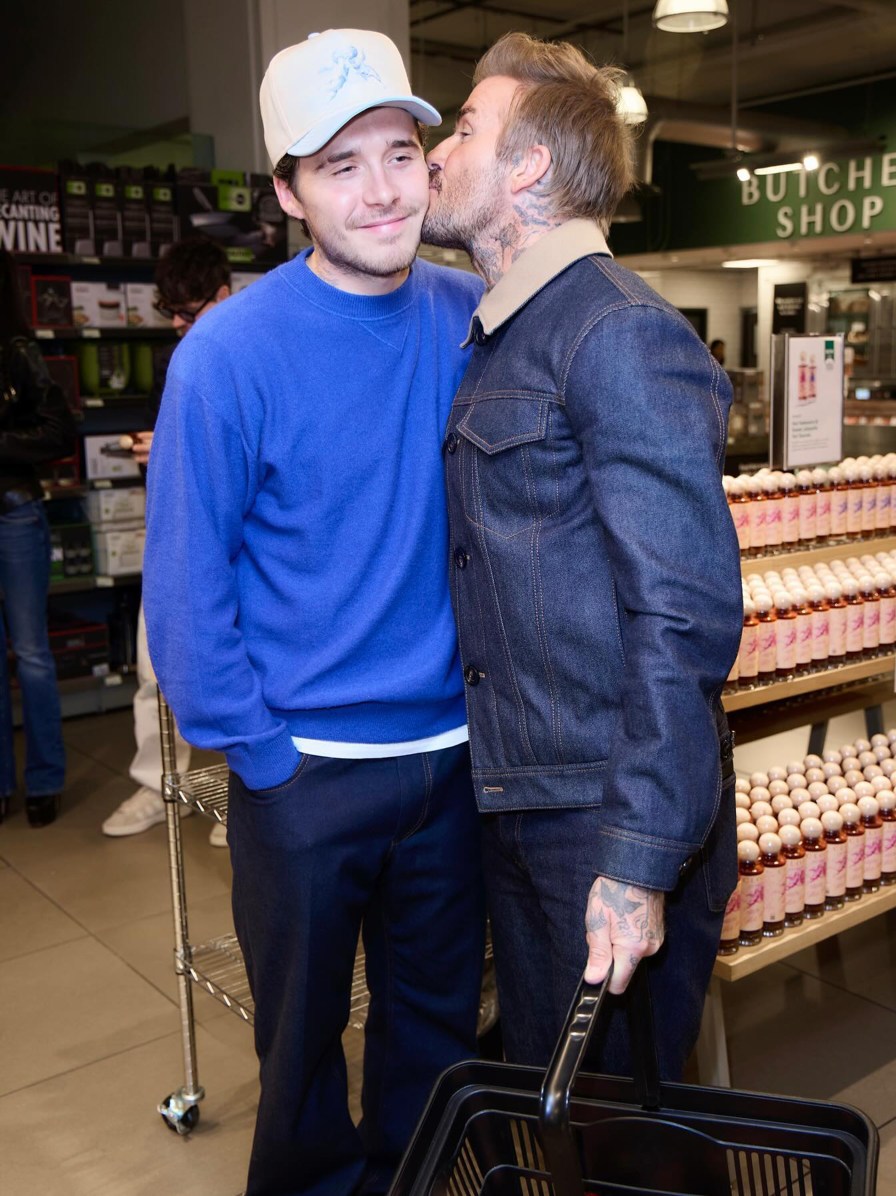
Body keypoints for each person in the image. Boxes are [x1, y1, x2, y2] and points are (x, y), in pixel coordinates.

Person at [143, 29, 486, 1196]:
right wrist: (268, 759)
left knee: (436, 1041)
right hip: (306, 772)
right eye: (340, 165)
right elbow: (186, 594)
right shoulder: (228, 355)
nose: (383, 187)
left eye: (399, 151)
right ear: (288, 191)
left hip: (451, 759)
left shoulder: (475, 316)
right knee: (296, 1062)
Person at [421, 31, 742, 1081]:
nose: (436, 153)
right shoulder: (510, 332)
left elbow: (683, 614)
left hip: (599, 818)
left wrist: (639, 860)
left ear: (528, 167)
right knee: (557, 1113)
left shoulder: (614, 332)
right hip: (529, 794)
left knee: (616, 1130)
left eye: (465, 127)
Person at [101, 237, 231, 845]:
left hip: (242, 544)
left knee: (246, 664)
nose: (179, 324)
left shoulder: (250, 347)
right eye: (171, 312)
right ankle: (158, 784)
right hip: (173, 535)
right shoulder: (178, 357)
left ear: (224, 295)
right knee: (155, 667)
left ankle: (249, 792)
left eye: (190, 310)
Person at [0, 249, 76, 826]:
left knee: (31, 654)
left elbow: (57, 430)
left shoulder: (16, 349)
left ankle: (45, 781)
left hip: (14, 513)